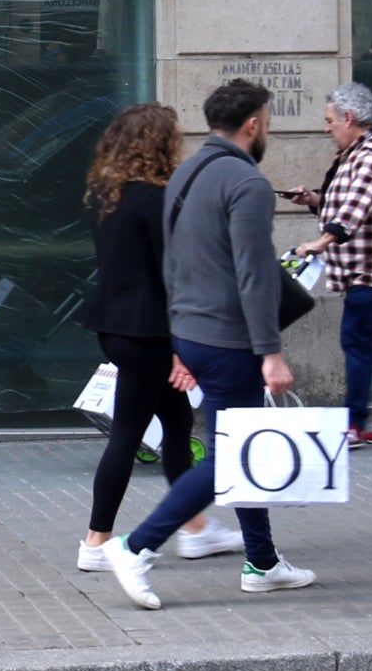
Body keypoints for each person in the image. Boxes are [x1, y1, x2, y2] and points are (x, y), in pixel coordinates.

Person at [101, 78, 317, 610]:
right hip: (229, 342)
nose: (267, 127)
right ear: (253, 123)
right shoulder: (246, 183)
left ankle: (262, 562)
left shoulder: (188, 172)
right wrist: (270, 352)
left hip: (192, 334)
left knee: (235, 451)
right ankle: (135, 546)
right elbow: (255, 274)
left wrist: (177, 339)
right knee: (229, 461)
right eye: (267, 120)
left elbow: (172, 265)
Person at [74, 104, 242, 571]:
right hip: (150, 331)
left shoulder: (106, 195)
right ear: (158, 144)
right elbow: (174, 273)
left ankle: (194, 529)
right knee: (128, 434)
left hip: (115, 325)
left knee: (175, 425)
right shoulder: (154, 198)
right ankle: (96, 542)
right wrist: (181, 345)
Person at [291, 82, 372, 447]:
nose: (326, 127)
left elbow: (352, 213)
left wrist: (316, 245)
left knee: (356, 339)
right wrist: (313, 199)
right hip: (369, 269)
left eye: (330, 120)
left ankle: (352, 426)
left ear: (348, 118)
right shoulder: (356, 153)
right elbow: (344, 203)